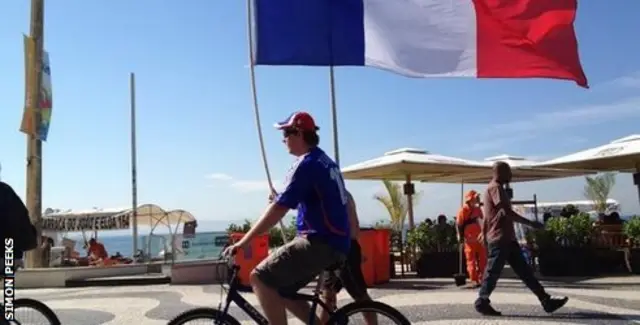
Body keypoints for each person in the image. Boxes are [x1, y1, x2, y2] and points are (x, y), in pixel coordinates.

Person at [222, 111, 350, 325]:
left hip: (319, 242)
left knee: (259, 278)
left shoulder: (307, 164)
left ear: (298, 133)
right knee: (283, 290)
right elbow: (309, 201)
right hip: (336, 242)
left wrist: (244, 241)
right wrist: (280, 200)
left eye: (286, 134)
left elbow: (278, 210)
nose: (283, 140)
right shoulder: (324, 161)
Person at [475, 161, 568, 316]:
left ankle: (546, 300)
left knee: (524, 272)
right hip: (501, 239)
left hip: (506, 239)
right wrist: (530, 223)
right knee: (493, 272)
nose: (511, 175)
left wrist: (484, 233)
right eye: (508, 172)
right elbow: (506, 212)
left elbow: (487, 217)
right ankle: (482, 301)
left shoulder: (495, 188)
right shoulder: (495, 188)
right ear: (500, 172)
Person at [320, 191, 378, 325]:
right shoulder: (338, 191)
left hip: (344, 248)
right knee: (327, 295)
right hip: (333, 248)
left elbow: (352, 224)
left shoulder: (339, 193)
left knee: (359, 296)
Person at [456, 190, 486, 288]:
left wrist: (484, 233)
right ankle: (474, 280)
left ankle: (482, 279)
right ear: (470, 199)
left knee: (482, 260)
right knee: (471, 260)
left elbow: (482, 222)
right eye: (475, 198)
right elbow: (459, 224)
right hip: (469, 239)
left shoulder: (478, 210)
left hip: (480, 238)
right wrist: (460, 237)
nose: (477, 199)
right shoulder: (463, 210)